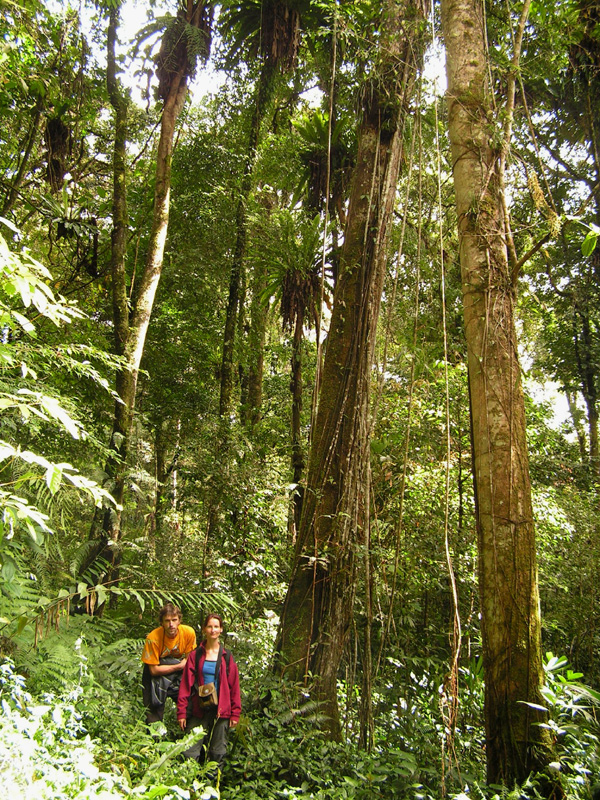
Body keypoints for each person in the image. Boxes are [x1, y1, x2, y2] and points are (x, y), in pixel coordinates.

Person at [176, 613, 241, 775]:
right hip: (200, 706)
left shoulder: (227, 657)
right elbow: (185, 685)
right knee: (190, 750)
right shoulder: (196, 655)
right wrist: (182, 712)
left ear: (221, 630)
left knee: (217, 751)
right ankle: (189, 784)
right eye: (210, 626)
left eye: (216, 627)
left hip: (221, 709)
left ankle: (211, 787)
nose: (213, 630)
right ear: (204, 629)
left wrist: (235, 713)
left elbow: (234, 686)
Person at [141, 602, 197, 724]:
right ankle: (153, 738)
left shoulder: (188, 633)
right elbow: (153, 670)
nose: (171, 624)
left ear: (179, 621)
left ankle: (189, 735)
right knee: (153, 710)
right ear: (161, 622)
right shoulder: (153, 638)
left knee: (190, 701)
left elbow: (189, 661)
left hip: (178, 669)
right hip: (157, 671)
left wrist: (181, 666)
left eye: (174, 620)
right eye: (167, 621)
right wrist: (178, 666)